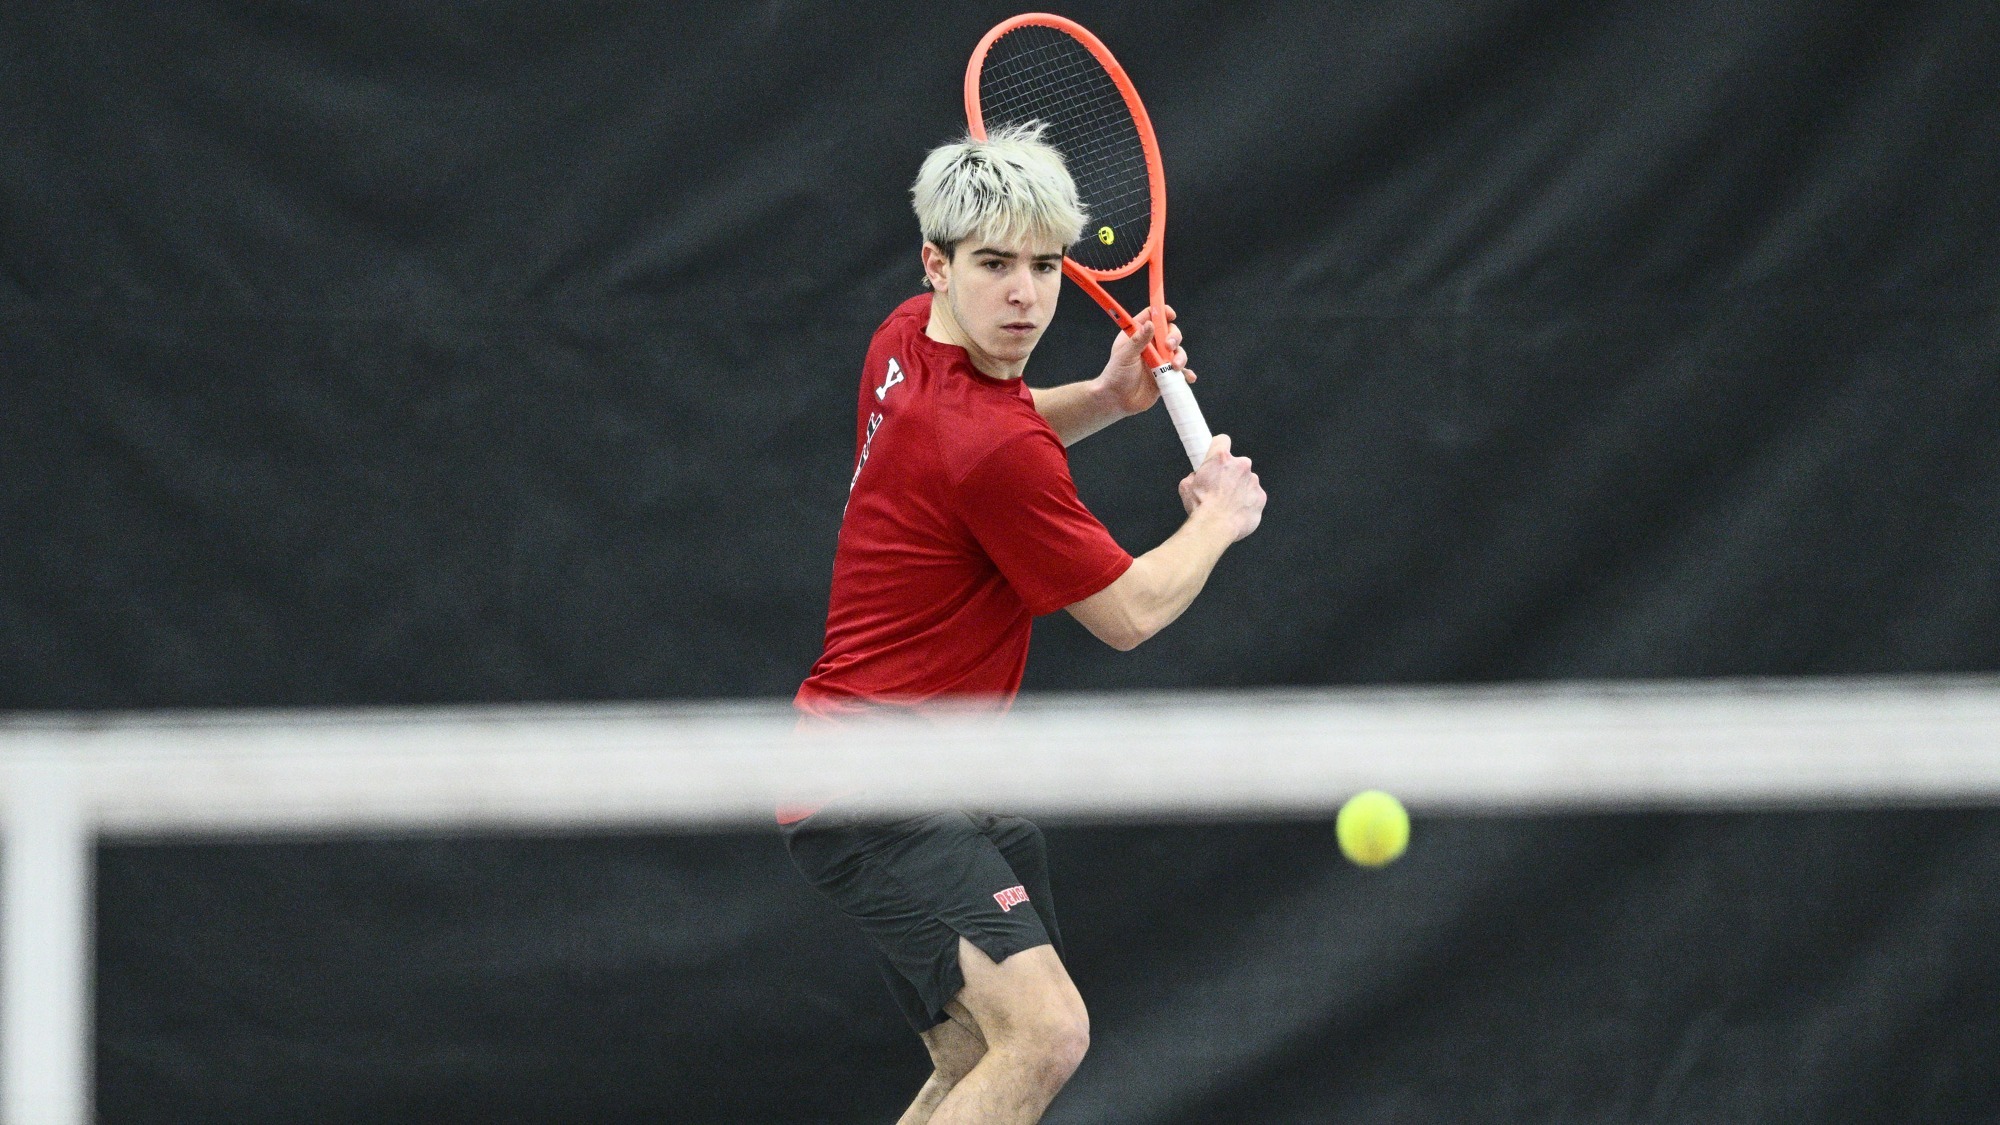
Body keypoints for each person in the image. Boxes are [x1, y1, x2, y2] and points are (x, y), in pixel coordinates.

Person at [782, 122, 1266, 1125]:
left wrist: (1101, 396)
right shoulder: (994, 453)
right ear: (937, 260)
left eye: (1044, 265)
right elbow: (1128, 613)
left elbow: (987, 430)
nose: (1024, 294)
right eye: (993, 264)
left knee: (974, 1056)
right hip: (873, 785)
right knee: (1046, 1034)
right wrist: (1215, 519)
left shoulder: (905, 337)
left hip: (895, 777)